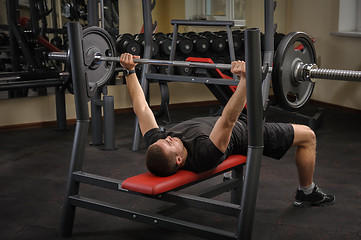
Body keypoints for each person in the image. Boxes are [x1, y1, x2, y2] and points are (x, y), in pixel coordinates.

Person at [119, 53, 335, 208]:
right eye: (169, 143)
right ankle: (307, 192)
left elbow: (142, 108)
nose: (168, 137)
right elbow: (229, 120)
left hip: (225, 119)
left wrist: (129, 71)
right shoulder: (203, 154)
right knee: (308, 135)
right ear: (178, 160)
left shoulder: (158, 145)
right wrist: (245, 79)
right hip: (248, 130)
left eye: (163, 139)